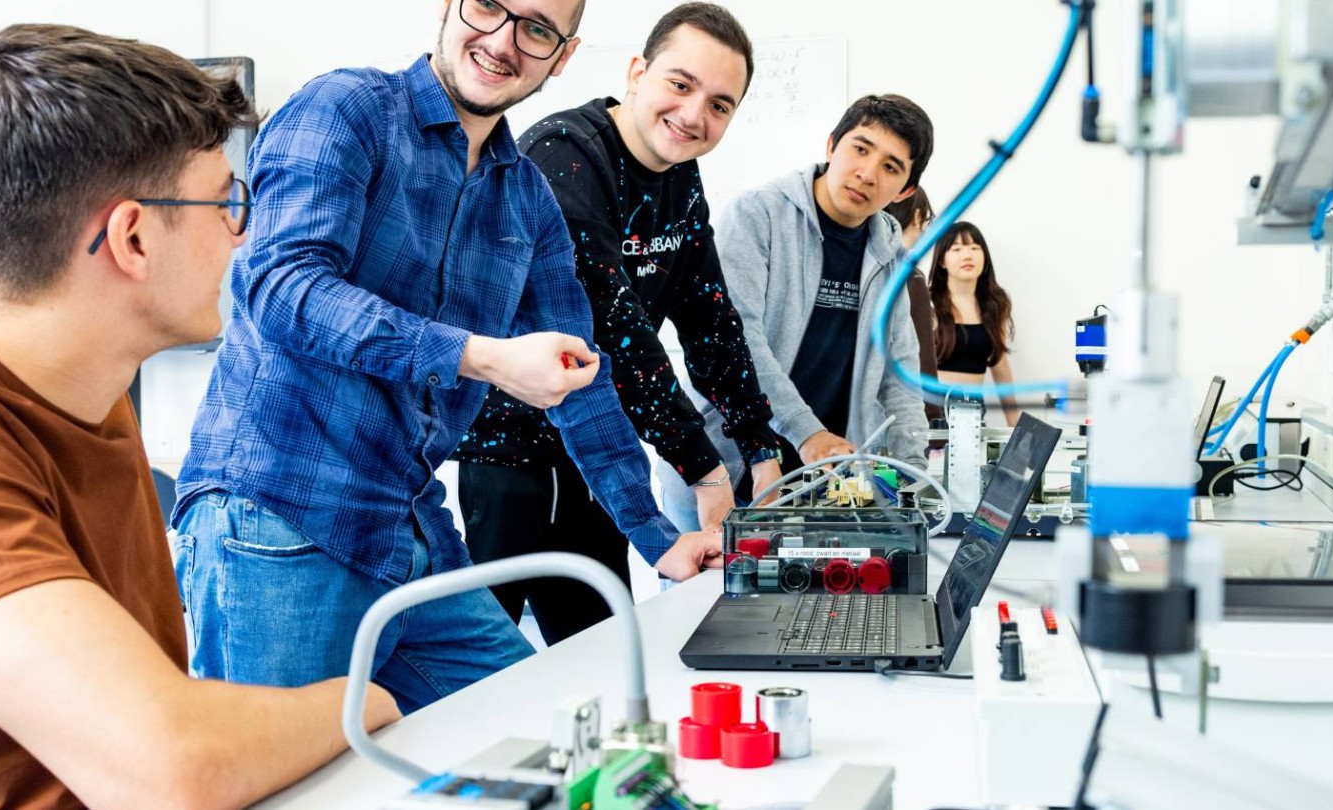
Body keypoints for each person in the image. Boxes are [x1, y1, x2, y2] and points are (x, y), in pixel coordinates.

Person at [0, 24, 402, 808]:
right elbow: (174, 767)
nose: (243, 236)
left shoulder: (88, 399)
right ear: (133, 237)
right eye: (225, 202)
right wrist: (373, 702)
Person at [174, 0, 718, 710]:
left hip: (408, 527)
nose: (502, 40)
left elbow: (578, 376)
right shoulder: (344, 110)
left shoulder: (524, 196)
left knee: (540, 738)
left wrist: (660, 539)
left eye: (537, 30)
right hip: (281, 514)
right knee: (290, 782)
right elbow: (283, 289)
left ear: (564, 55)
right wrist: (481, 357)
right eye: (489, 6)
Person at [454, 3, 786, 644]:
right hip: (512, 452)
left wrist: (761, 448)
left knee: (604, 650)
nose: (694, 115)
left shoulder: (680, 180)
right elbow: (615, 333)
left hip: (600, 454)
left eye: (720, 104)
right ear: (637, 72)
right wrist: (706, 471)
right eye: (681, 84)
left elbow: (711, 320)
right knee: (481, 661)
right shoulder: (562, 158)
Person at [663, 95, 935, 527]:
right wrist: (808, 434)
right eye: (860, 149)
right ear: (831, 146)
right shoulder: (759, 215)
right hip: (726, 468)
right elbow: (738, 342)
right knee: (708, 594)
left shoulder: (890, 252)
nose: (867, 173)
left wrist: (913, 478)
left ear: (905, 190)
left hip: (824, 485)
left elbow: (899, 375)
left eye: (891, 166)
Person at [929, 221, 1020, 426]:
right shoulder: (928, 304)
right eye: (957, 249)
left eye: (974, 248)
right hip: (934, 410)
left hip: (974, 411)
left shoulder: (996, 304)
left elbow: (1000, 363)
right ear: (942, 260)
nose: (967, 255)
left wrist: (1014, 422)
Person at [883, 186, 940, 423]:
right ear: (918, 216)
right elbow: (922, 359)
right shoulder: (911, 278)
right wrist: (935, 417)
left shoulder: (871, 268)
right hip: (904, 418)